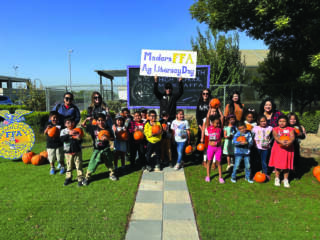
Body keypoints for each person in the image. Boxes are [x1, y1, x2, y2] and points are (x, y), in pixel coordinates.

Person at [81, 113, 117, 185]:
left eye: (102, 120)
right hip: (97, 149)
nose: (101, 122)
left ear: (105, 120)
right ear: (96, 121)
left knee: (109, 162)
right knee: (92, 163)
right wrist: (86, 120)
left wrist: (108, 138)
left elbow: (113, 138)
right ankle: (87, 177)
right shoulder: (93, 128)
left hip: (106, 149)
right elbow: (83, 125)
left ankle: (112, 174)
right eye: (99, 120)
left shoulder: (108, 129)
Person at [268, 115, 295, 188]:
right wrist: (281, 142)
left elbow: (292, 137)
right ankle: (277, 178)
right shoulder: (275, 129)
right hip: (278, 149)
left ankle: (286, 179)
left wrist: (289, 142)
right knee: (277, 165)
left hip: (288, 149)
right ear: (278, 122)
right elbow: (276, 136)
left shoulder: (291, 129)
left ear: (287, 122)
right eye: (280, 121)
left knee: (286, 165)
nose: (282, 123)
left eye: (284, 121)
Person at [60, 117, 83, 186]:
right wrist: (69, 134)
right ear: (65, 124)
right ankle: (68, 178)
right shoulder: (63, 131)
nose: (70, 124)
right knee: (69, 166)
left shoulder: (77, 130)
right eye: (68, 122)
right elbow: (62, 139)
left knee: (78, 165)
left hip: (77, 151)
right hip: (68, 152)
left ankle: (80, 179)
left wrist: (79, 138)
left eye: (72, 122)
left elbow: (81, 141)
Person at [203, 115, 224, 183]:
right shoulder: (209, 128)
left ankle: (220, 177)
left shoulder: (220, 129)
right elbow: (207, 119)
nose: (218, 124)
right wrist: (209, 110)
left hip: (218, 148)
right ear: (212, 123)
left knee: (219, 163)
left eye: (219, 123)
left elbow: (222, 118)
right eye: (216, 123)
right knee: (209, 161)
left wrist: (218, 109)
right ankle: (208, 176)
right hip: (211, 148)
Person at [44, 111, 65, 175]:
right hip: (50, 144)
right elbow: (44, 133)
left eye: (56, 118)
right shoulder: (48, 124)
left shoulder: (60, 125)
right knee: (51, 158)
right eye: (54, 117)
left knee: (60, 157)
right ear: (50, 118)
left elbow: (63, 133)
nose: (55, 119)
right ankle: (52, 168)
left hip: (59, 144)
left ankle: (62, 167)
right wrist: (47, 129)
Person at [252, 115, 273, 179]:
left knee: (264, 161)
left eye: (265, 121)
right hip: (257, 147)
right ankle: (254, 174)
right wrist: (253, 143)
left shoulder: (270, 128)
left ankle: (265, 174)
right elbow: (252, 136)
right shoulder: (255, 128)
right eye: (261, 121)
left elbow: (273, 137)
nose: (263, 122)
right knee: (256, 161)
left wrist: (270, 141)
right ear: (258, 122)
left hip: (266, 148)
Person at [288, 112, 306, 179]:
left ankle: (295, 173)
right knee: (288, 159)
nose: (292, 120)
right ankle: (287, 173)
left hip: (295, 146)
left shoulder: (298, 127)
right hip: (287, 146)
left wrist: (300, 134)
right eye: (291, 119)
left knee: (295, 159)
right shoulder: (286, 126)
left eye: (294, 119)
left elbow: (303, 137)